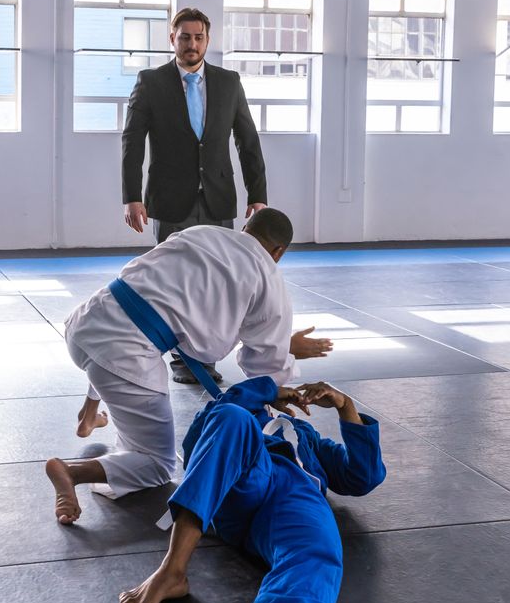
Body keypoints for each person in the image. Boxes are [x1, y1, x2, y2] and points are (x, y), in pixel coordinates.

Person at [46, 208, 333, 523]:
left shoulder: (200, 233)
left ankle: (90, 414)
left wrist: (280, 342)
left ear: (246, 227)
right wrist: (285, 353)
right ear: (279, 252)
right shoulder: (268, 279)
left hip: (86, 321)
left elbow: (175, 303)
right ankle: (72, 472)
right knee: (156, 465)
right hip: (122, 355)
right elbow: (265, 367)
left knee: (122, 344)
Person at [119, 378, 386, 603]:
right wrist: (266, 392)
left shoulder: (307, 437)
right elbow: (201, 450)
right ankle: (172, 570)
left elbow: (363, 477)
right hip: (245, 484)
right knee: (233, 416)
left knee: (316, 549)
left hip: (297, 498)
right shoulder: (230, 417)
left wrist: (346, 407)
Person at [122, 7, 268, 384]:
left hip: (218, 197)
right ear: (172, 39)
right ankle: (183, 362)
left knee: (219, 283)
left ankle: (207, 358)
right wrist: (132, 196)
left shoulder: (229, 82)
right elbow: (132, 141)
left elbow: (248, 141)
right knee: (176, 283)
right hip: (172, 199)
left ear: (208, 39)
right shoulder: (150, 82)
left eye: (198, 37)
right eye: (184, 37)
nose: (192, 44)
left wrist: (258, 195)